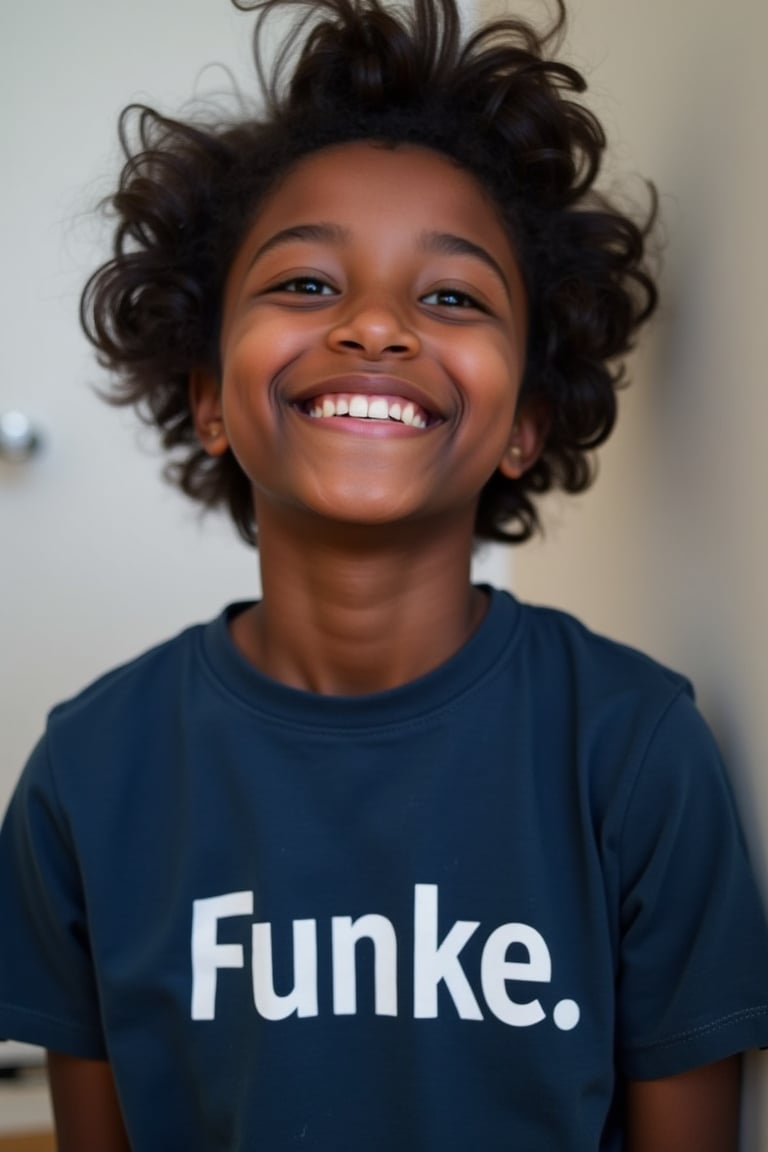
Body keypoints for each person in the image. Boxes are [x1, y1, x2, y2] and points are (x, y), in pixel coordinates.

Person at [1, 0, 767, 1148]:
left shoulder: (634, 748)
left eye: (452, 296)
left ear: (525, 423)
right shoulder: (88, 773)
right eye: (306, 284)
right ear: (209, 396)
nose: (374, 324)